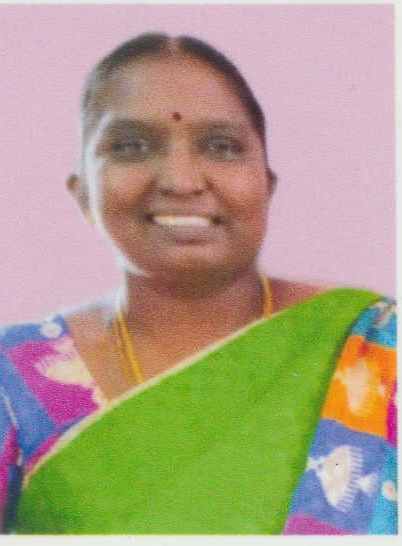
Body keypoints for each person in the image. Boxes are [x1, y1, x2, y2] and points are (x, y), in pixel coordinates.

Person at [0, 33, 396, 535]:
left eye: (222, 146)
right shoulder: (14, 381)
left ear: (267, 185)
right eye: (130, 146)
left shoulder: (379, 346)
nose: (181, 181)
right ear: (82, 192)